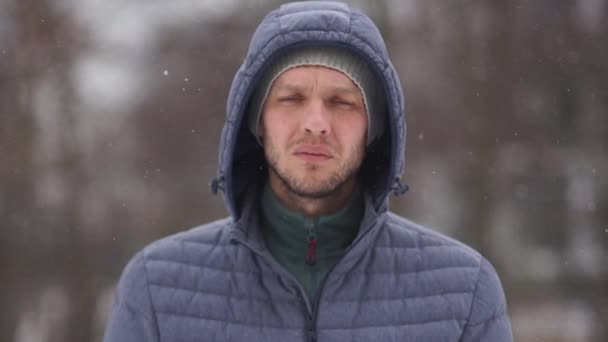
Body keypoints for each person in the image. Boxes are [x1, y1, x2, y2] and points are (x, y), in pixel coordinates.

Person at [103, 1, 513, 341]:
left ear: (375, 129)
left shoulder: (464, 293)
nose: (315, 123)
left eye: (342, 102)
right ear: (256, 121)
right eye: (291, 98)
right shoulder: (156, 289)